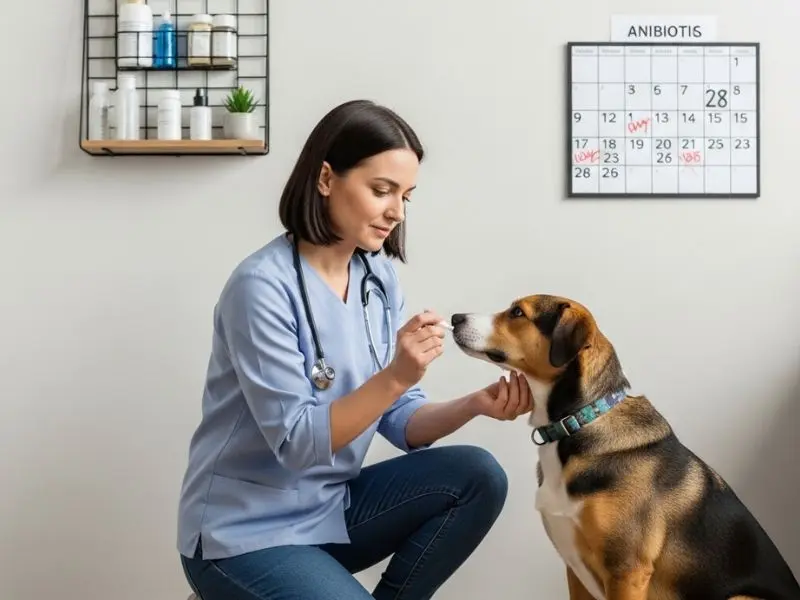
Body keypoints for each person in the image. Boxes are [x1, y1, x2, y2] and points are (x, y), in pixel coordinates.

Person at [177, 99, 533, 600]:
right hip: (242, 533)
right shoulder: (260, 286)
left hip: (330, 510)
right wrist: (398, 375)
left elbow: (399, 420)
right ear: (326, 179)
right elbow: (299, 443)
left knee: (478, 475)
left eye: (407, 196)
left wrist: (473, 405)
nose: (397, 211)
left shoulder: (377, 277)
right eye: (382, 190)